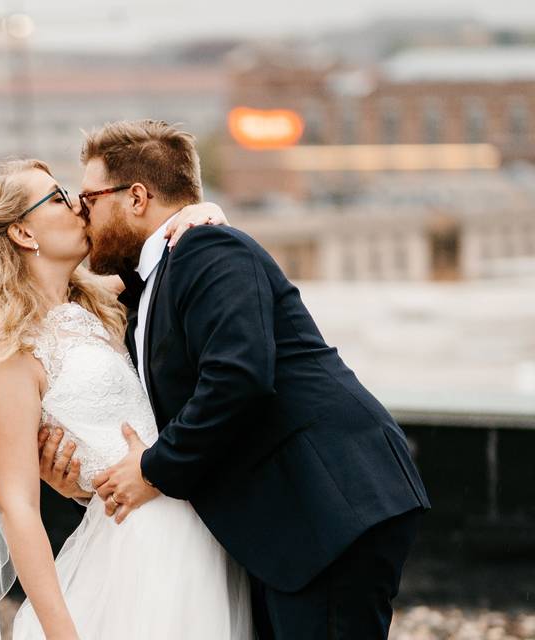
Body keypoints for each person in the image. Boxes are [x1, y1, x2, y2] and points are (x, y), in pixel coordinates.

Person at [60, 119, 431, 640]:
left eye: (89, 197)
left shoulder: (209, 250)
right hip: (285, 520)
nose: (83, 213)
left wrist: (153, 469)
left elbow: (238, 377)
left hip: (328, 504)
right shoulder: (157, 276)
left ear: (137, 197)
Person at [0, 157, 251, 639]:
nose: (78, 206)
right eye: (57, 198)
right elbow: (17, 507)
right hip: (139, 550)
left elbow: (164, 249)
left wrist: (200, 212)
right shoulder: (8, 355)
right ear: (24, 234)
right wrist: (62, 633)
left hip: (199, 529)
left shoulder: (96, 303)